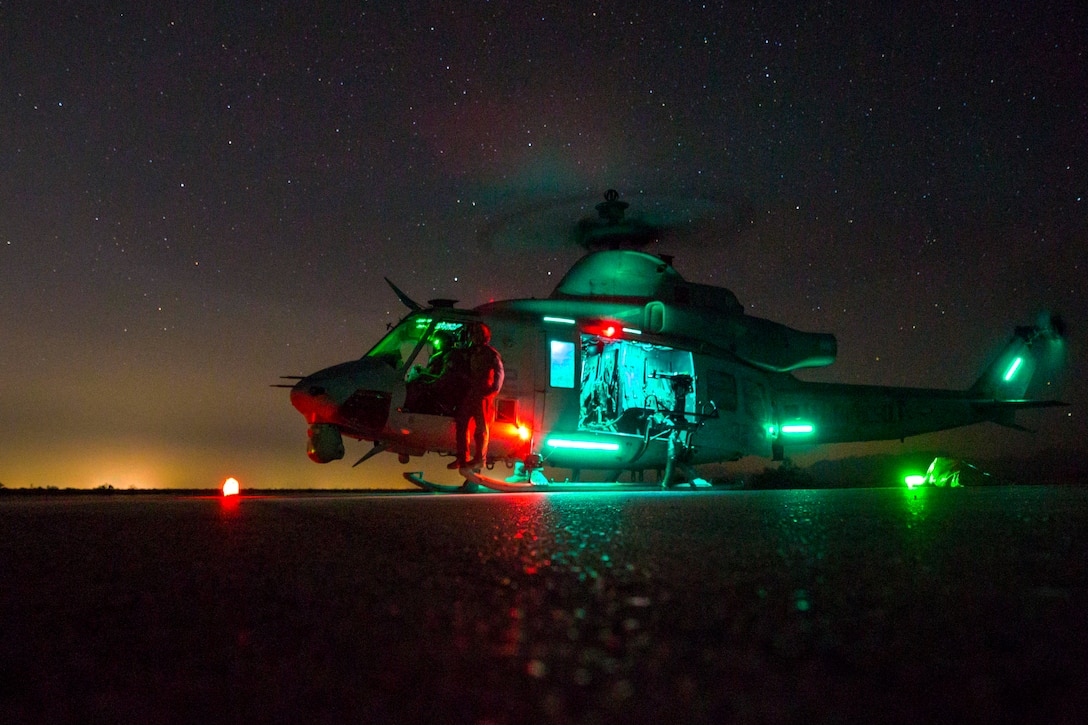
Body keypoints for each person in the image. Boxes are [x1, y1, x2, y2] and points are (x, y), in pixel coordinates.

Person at [448, 322, 504, 469]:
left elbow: (499, 373)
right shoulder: (471, 352)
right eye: (474, 335)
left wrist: (492, 391)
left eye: (478, 335)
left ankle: (480, 459)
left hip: (483, 394)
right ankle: (462, 457)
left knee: (481, 428)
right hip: (472, 392)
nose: (475, 338)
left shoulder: (491, 354)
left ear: (485, 337)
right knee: (461, 423)